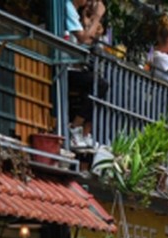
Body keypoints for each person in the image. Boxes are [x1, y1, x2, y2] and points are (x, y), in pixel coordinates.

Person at [65, 0, 108, 149]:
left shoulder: (74, 12)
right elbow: (84, 38)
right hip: (64, 68)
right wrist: (96, 17)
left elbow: (87, 39)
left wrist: (88, 20)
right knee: (99, 84)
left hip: (71, 67)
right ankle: (74, 128)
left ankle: (83, 132)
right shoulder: (67, 6)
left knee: (95, 88)